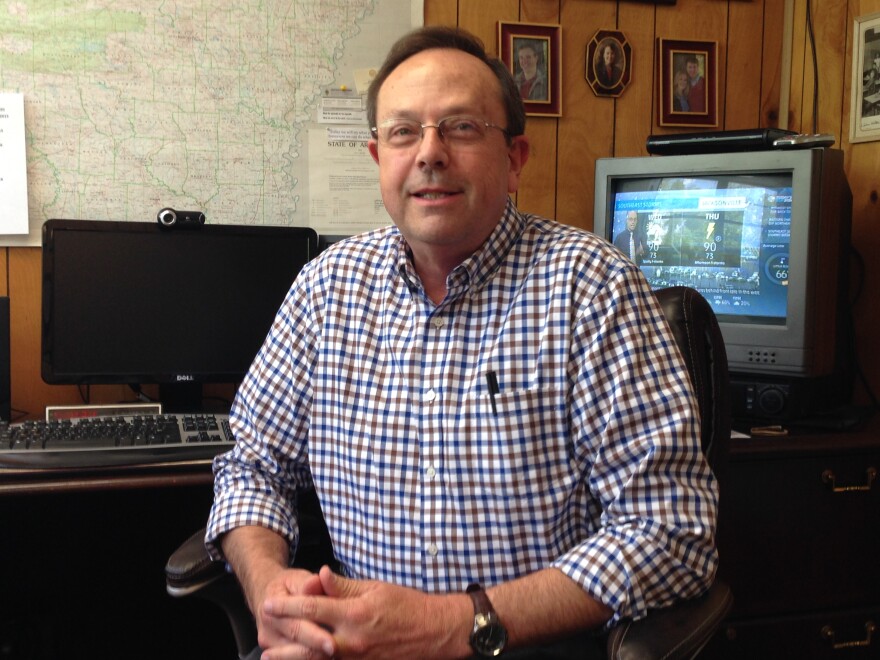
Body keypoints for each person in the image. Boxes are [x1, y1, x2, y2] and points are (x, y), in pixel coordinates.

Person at [207, 26, 718, 660]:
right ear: (378, 159)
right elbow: (252, 467)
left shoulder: (593, 288)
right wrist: (273, 595)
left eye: (462, 128)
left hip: (524, 644)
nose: (429, 153)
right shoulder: (325, 288)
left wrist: (459, 624)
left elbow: (671, 533)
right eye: (403, 132)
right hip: (343, 644)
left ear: (515, 158)